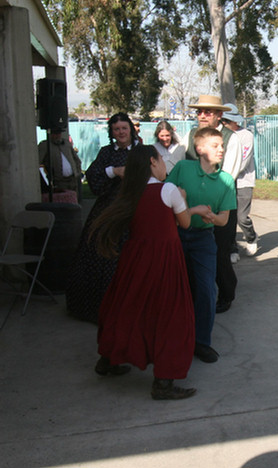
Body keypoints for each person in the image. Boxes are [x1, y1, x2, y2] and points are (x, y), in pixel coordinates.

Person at [91, 144, 211, 400]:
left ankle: (107, 360)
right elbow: (185, 224)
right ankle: (163, 382)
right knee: (170, 315)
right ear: (153, 162)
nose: (165, 166)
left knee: (126, 307)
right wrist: (186, 200)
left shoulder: (130, 192)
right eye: (161, 160)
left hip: (135, 259)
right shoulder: (168, 190)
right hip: (164, 260)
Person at [166, 127, 236, 364]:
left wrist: (211, 217)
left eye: (222, 146)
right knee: (174, 288)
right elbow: (165, 198)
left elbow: (224, 219)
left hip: (203, 239)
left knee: (207, 289)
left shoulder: (226, 180)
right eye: (215, 145)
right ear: (199, 149)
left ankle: (201, 342)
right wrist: (183, 202)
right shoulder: (183, 169)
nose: (221, 150)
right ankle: (172, 337)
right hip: (175, 234)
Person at [66, 113, 138, 323]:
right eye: (116, 129)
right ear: (111, 132)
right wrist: (114, 171)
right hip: (106, 211)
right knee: (98, 253)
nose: (121, 133)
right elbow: (93, 175)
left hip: (133, 211)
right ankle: (97, 309)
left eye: (124, 128)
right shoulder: (106, 152)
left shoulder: (140, 152)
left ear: (130, 130)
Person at [184, 95, 238, 313]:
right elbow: (181, 164)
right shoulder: (188, 136)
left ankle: (226, 294)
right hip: (193, 205)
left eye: (207, 112)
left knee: (220, 253)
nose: (202, 116)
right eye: (200, 112)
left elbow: (229, 174)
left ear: (219, 115)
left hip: (220, 203)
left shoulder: (230, 138)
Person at [220, 103, 259, 262]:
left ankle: (251, 237)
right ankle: (232, 248)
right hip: (225, 183)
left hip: (243, 182)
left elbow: (242, 161)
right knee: (229, 219)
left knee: (242, 217)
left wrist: (229, 173)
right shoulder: (221, 135)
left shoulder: (246, 136)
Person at [38, 127, 83, 200]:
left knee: (74, 200)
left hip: (72, 179)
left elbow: (76, 159)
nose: (57, 136)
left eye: (58, 133)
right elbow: (39, 163)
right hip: (59, 181)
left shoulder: (66, 144)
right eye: (55, 133)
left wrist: (77, 172)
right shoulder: (45, 146)